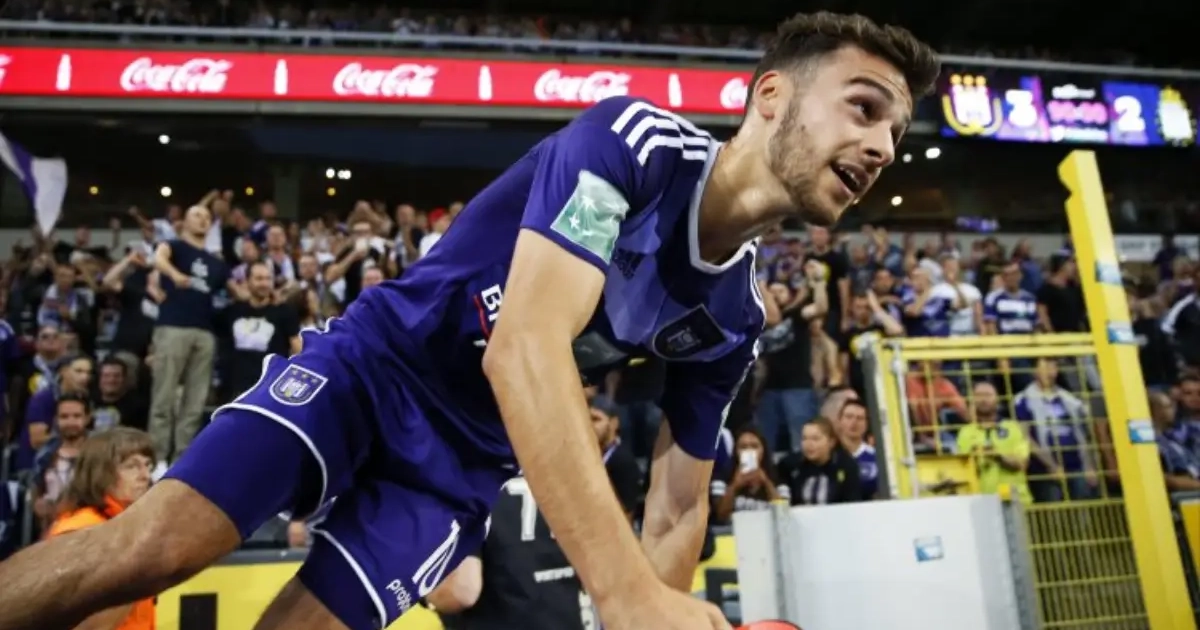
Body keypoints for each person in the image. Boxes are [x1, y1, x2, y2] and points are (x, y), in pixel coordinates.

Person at [0, 13, 937, 630]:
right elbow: (522, 348)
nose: (881, 147)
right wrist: (622, 592)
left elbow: (680, 504)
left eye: (895, 133)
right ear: (770, 95)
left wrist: (652, 607)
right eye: (864, 108)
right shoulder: (632, 142)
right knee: (150, 551)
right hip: (373, 371)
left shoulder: (734, 318)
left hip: (458, 470)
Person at [46, 427, 156, 630]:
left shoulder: (129, 525)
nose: (145, 476)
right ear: (100, 473)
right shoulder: (79, 530)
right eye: (131, 466)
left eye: (148, 465)